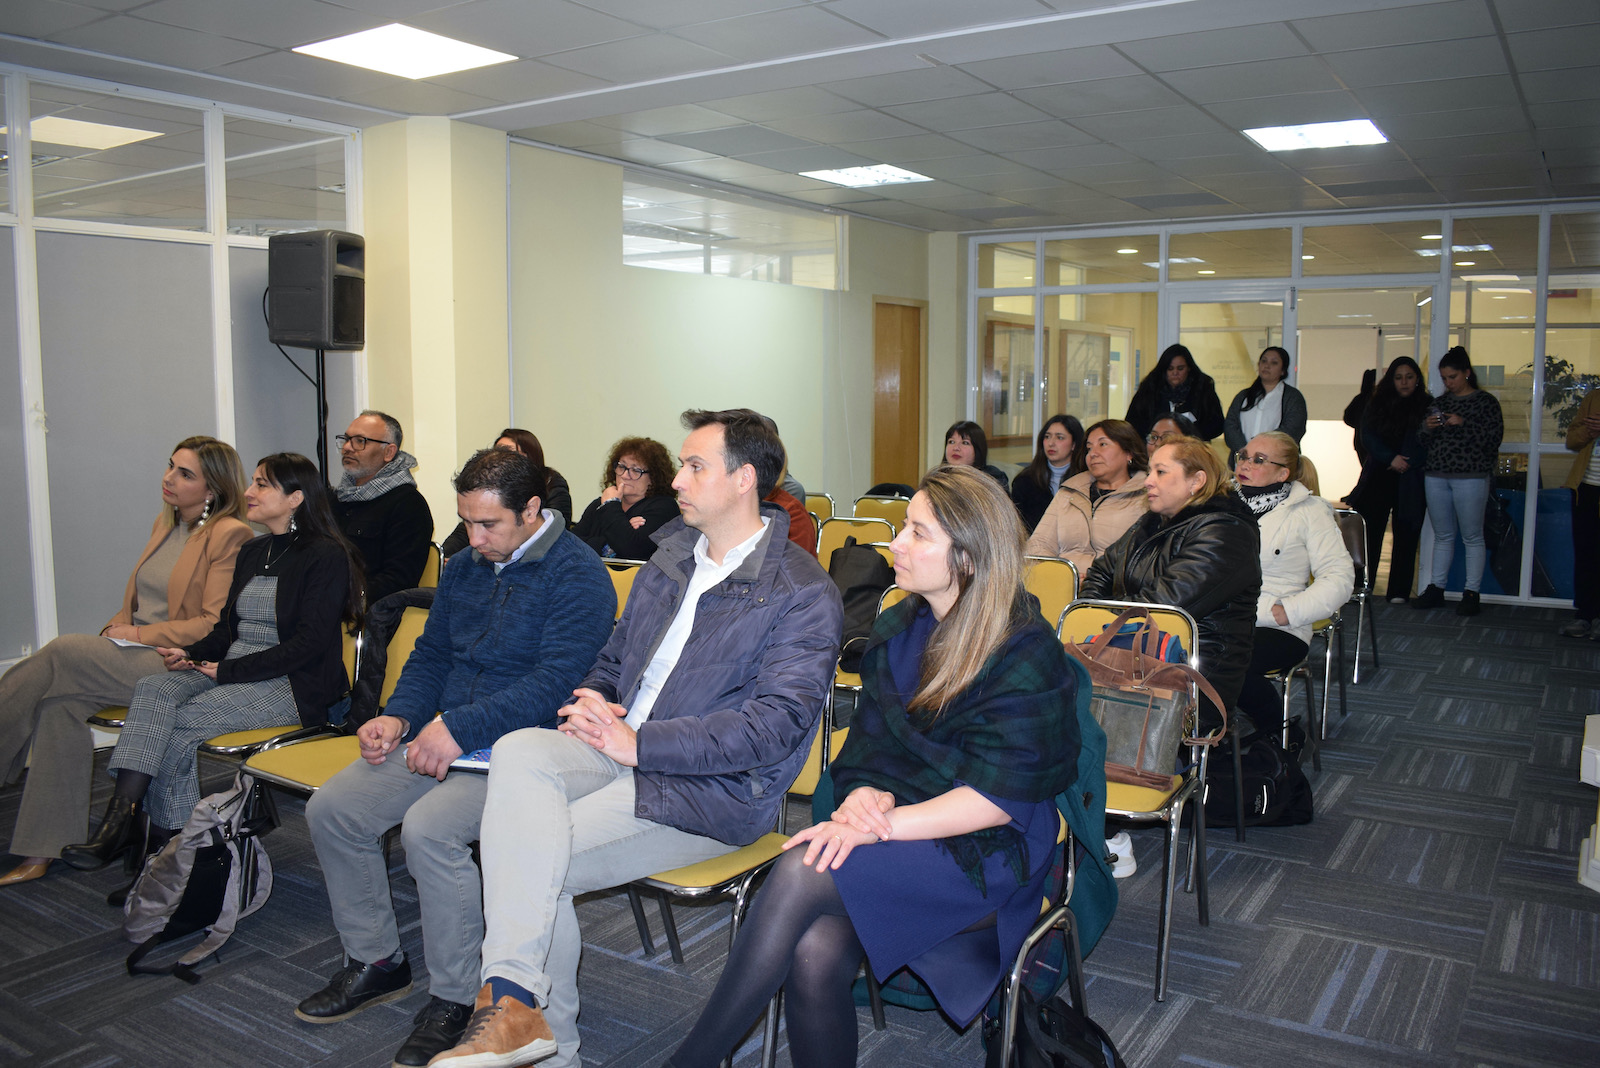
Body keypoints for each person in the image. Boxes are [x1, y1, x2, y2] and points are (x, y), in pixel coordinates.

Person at [427, 409, 843, 1068]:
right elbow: (617, 654)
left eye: (695, 466)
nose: (676, 479)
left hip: (708, 788)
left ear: (744, 479)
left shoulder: (800, 591)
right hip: (617, 747)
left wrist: (641, 745)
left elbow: (773, 727)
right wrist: (592, 698)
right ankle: (516, 1012)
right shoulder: (673, 555)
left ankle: (538, 1038)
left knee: (531, 862)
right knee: (519, 749)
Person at [663, 465, 1083, 1068]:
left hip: (989, 851)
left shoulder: (1024, 649)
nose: (895, 544)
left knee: (802, 868)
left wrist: (877, 826)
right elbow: (869, 750)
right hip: (906, 825)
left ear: (967, 558)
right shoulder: (899, 628)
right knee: (813, 952)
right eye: (903, 527)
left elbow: (999, 798)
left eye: (918, 533)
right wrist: (864, 793)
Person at [296, 448, 614, 1068]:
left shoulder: (578, 575)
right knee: (334, 810)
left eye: (487, 524)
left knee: (430, 831)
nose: (473, 538)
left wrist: (457, 728)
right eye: (466, 521)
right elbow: (434, 655)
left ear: (532, 509)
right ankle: (377, 960)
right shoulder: (468, 566)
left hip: (520, 749)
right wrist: (398, 716)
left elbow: (557, 684)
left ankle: (458, 998)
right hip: (446, 733)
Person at [60, 453, 362, 874]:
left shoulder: (325, 555)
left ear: (295, 498)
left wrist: (227, 671)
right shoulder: (254, 550)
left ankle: (172, 852)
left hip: (292, 683)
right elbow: (226, 630)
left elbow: (308, 645)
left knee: (179, 726)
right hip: (234, 670)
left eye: (262, 485)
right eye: (252, 482)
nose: (248, 492)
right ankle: (124, 820)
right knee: (152, 688)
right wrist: (192, 653)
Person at [0, 437, 252, 888]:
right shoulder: (166, 523)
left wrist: (135, 635)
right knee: (58, 706)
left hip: (179, 662)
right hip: (133, 653)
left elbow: (210, 624)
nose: (168, 478)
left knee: (61, 651)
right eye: (170, 467)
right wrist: (118, 628)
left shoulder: (229, 533)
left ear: (213, 488)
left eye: (185, 474)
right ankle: (43, 847)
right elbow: (136, 604)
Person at [1080, 437, 1261, 731]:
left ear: (1196, 481)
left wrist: (1098, 619)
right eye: (1150, 471)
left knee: (1063, 706)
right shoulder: (1153, 522)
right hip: (1132, 653)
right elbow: (1102, 570)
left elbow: (1162, 607)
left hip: (1190, 672)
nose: (1148, 481)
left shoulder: (1226, 532)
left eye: (1161, 472)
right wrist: (1093, 615)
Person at [1233, 433, 1353, 735]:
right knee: (1177, 659)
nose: (1245, 464)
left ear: (1282, 473)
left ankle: (1282, 736)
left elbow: (1339, 577)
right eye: (1243, 455)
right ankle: (1208, 745)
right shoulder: (1219, 502)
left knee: (1225, 665)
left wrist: (1289, 610)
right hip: (1221, 618)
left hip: (1277, 625)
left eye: (1259, 460)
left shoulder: (1310, 511)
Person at [1414, 347, 1504, 616]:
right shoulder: (1440, 403)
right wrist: (1428, 427)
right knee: (1443, 535)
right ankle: (1436, 588)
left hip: (1471, 475)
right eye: (1444, 378)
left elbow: (1493, 439)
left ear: (1466, 373)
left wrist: (1463, 423)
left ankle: (1471, 592)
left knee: (1472, 535)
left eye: (1452, 377)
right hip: (1437, 474)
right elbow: (1421, 440)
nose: (1448, 383)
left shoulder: (1485, 402)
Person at [1347, 357, 1430, 603]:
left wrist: (1409, 460)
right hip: (1379, 474)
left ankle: (1399, 591)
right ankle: (1363, 586)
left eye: (1409, 377)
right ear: (1390, 380)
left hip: (1411, 477)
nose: (1404, 382)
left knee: (1406, 534)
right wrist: (1391, 458)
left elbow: (1431, 442)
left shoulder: (1427, 405)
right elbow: (1367, 436)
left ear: (1417, 379)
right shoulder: (1377, 402)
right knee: (1370, 534)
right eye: (1398, 377)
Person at [331, 410, 434, 606]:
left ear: (389, 452)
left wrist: (340, 598)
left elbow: (398, 580)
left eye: (360, 441)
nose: (347, 448)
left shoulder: (408, 504)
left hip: (370, 612)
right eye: (346, 439)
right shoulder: (337, 498)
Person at [1026, 419, 1149, 577]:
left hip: (1114, 586)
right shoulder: (1069, 492)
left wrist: (1096, 582)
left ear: (1128, 452)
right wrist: (1061, 578)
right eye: (1089, 448)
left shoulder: (1145, 495)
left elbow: (1145, 560)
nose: (1093, 454)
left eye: (1103, 444)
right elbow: (1039, 545)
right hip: (1065, 583)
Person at [439, 429, 574, 557]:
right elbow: (464, 531)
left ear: (531, 510)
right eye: (497, 451)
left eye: (489, 524)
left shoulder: (552, 484)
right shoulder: (462, 562)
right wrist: (446, 553)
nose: (474, 541)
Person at [572, 436, 680, 560]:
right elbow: (570, 546)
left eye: (636, 470)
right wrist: (609, 542)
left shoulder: (664, 507)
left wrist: (611, 504)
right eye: (622, 467)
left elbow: (632, 550)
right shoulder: (599, 504)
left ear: (653, 477)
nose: (625, 475)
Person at [1560, 387, 1600, 639]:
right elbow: (1572, 440)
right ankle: (1585, 614)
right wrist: (1590, 431)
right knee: (1586, 554)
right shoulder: (1594, 397)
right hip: (1585, 488)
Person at [1123, 344, 1225, 441]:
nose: (1175, 373)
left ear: (1189, 368)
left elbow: (1217, 425)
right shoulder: (1149, 388)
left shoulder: (1202, 388)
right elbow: (1133, 423)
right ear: (1164, 370)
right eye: (1170, 369)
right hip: (1154, 446)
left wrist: (1191, 434)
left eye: (1180, 368)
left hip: (1192, 447)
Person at [1223, 346, 1308, 457]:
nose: (1267, 366)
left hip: (1275, 459)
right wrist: (1245, 449)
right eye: (1264, 361)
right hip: (1243, 458)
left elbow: (1293, 429)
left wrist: (1261, 449)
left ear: (1283, 371)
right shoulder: (1244, 396)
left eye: (1274, 363)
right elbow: (1230, 425)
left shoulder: (1293, 397)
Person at [1010, 413, 1086, 532]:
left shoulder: (1086, 480)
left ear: (1074, 444)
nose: (1051, 443)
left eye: (1060, 437)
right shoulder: (1025, 481)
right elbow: (1017, 526)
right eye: (1047, 437)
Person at [943, 419, 1009, 491]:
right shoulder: (939, 478)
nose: (956, 448)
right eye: (951, 442)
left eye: (965, 443)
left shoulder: (992, 479)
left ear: (978, 449)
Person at [1343, 368, 1379, 469]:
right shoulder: (1376, 400)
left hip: (1360, 441)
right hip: (1370, 442)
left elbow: (1347, 417)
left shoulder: (1360, 399)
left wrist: (1359, 425)